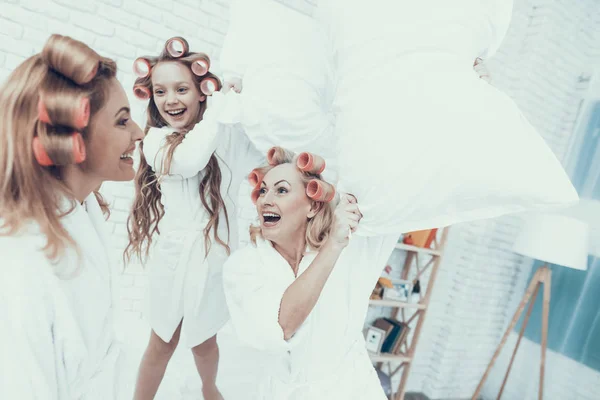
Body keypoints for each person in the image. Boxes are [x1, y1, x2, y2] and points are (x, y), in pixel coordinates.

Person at [0, 34, 144, 399]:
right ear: (69, 133)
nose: (139, 133)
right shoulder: (21, 263)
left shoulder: (82, 212)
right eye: (122, 121)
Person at [124, 36, 262, 400]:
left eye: (181, 89)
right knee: (162, 341)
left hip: (214, 256)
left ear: (201, 91)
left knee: (204, 340)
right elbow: (189, 160)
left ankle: (208, 388)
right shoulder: (156, 141)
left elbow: (260, 149)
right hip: (172, 257)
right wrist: (219, 110)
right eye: (160, 91)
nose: (170, 100)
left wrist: (242, 99)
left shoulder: (221, 133)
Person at [222, 147, 399, 399]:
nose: (265, 199)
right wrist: (333, 246)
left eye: (281, 190)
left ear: (313, 207)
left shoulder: (353, 248)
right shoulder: (242, 268)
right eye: (263, 190)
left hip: (353, 389)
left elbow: (393, 188)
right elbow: (280, 328)